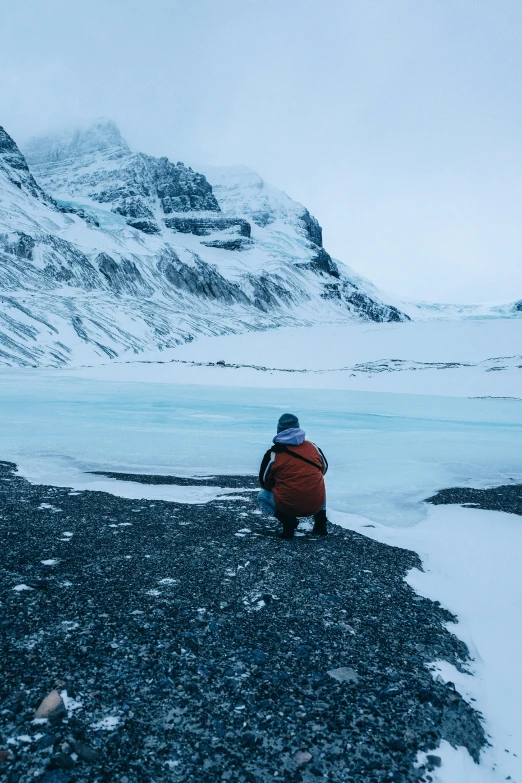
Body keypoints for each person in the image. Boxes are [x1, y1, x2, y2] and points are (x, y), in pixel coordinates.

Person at [258, 413, 328, 539]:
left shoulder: (274, 453)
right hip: (315, 505)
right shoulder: (313, 447)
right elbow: (324, 469)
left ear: (279, 430)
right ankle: (320, 525)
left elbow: (264, 482)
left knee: (262, 496)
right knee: (316, 482)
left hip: (289, 506)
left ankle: (288, 523)